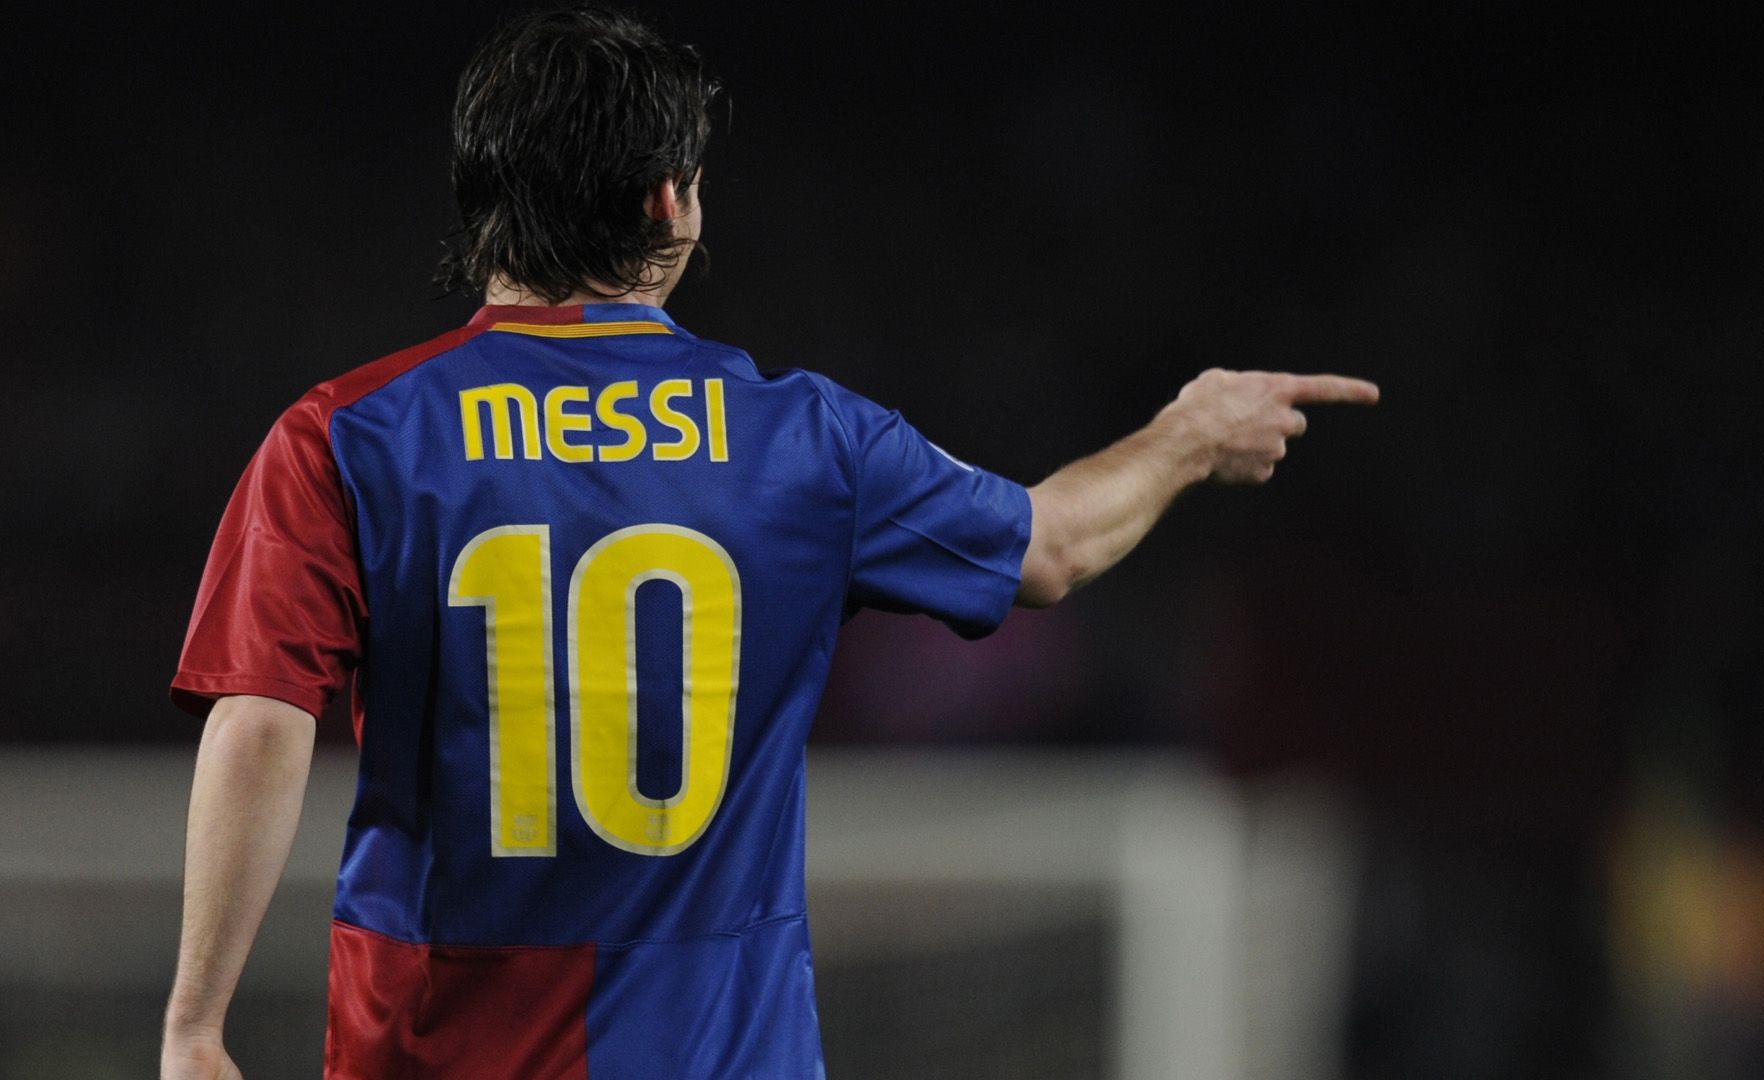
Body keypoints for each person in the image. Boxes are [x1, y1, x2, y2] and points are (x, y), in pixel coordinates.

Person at [158, 6, 1379, 1079]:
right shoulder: (807, 440)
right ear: (669, 200)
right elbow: (1051, 546)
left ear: (482, 202)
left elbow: (259, 721)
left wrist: (197, 1025)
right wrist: (1185, 437)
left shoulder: (347, 437)